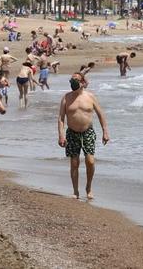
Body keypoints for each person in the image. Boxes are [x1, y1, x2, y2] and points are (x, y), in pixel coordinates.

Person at [57, 72, 110, 200]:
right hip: (72, 133)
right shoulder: (66, 97)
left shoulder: (90, 97)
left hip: (88, 132)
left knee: (90, 161)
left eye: (76, 80)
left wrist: (105, 131)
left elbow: (100, 114)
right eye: (71, 80)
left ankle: (89, 187)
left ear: (82, 83)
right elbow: (61, 118)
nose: (73, 82)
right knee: (74, 163)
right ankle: (75, 191)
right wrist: (61, 135)